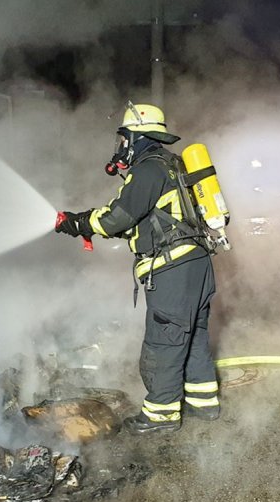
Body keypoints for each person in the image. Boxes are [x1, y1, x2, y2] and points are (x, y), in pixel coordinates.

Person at [55, 102, 220, 434]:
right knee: (195, 337)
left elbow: (119, 217)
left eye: (124, 138)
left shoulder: (148, 169)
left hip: (173, 271)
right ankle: (205, 405)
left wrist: (78, 222)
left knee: (165, 342)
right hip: (198, 266)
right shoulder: (174, 165)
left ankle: (161, 415)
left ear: (135, 137)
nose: (121, 147)